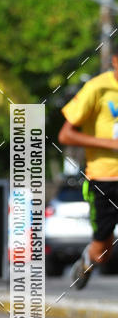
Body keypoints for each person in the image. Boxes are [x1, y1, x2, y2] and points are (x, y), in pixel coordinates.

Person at [59, 54, 118, 289]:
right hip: (104, 180)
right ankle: (87, 260)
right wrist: (110, 144)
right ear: (115, 60)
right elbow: (65, 135)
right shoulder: (97, 88)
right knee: (103, 252)